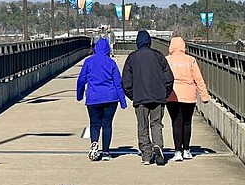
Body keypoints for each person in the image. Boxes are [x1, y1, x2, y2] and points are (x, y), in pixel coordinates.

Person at [122, 30, 174, 166]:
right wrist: (165, 94)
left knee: (142, 126)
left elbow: (126, 81)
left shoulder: (132, 57)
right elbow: (169, 78)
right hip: (158, 97)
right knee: (156, 124)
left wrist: (133, 95)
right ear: (149, 42)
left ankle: (146, 154)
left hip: (140, 98)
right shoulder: (158, 55)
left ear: (137, 42)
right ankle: (158, 145)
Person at [77, 37, 127, 161]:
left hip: (93, 98)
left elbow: (81, 79)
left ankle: (94, 142)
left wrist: (79, 95)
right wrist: (123, 101)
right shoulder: (111, 63)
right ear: (107, 49)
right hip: (110, 98)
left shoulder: (88, 61)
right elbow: (118, 83)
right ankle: (105, 152)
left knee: (94, 124)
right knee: (107, 124)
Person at [165, 36, 209, 162]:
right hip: (189, 95)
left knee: (176, 122)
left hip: (172, 95)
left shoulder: (167, 60)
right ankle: (187, 150)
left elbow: (163, 79)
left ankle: (177, 151)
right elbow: (198, 79)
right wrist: (204, 95)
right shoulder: (191, 60)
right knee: (187, 122)